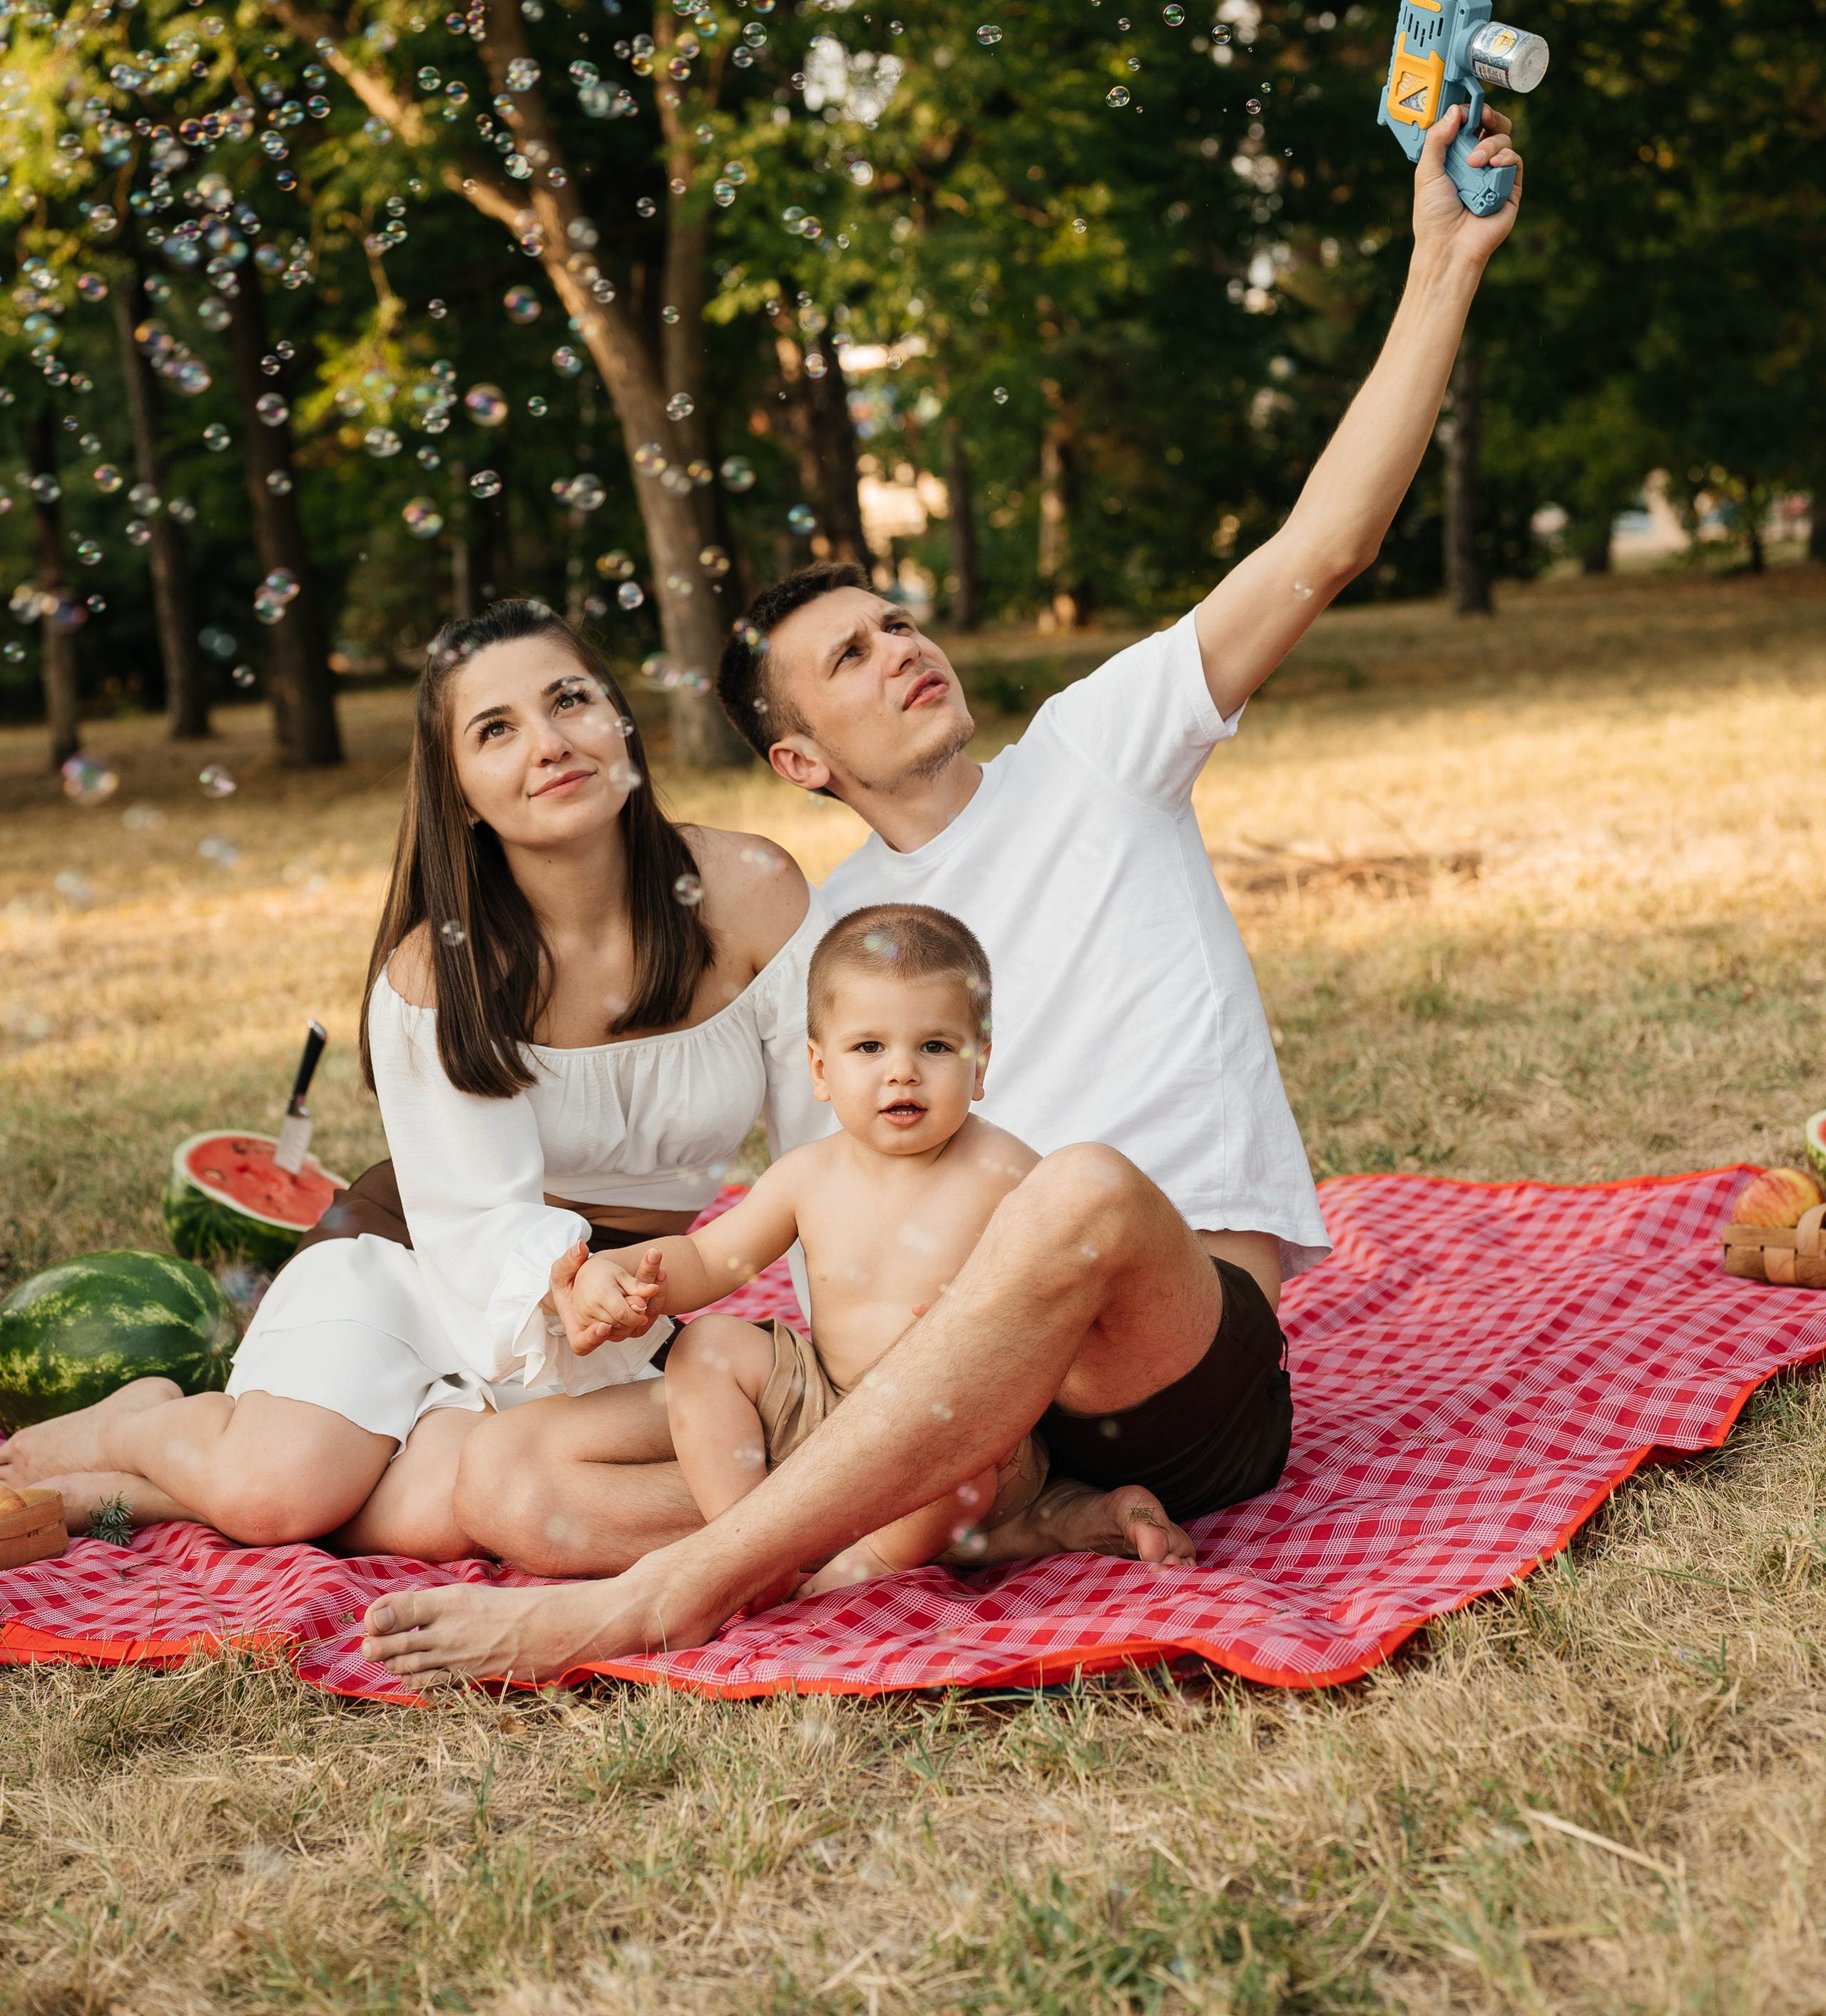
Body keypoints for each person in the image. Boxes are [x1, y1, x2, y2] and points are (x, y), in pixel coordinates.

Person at [357, 96, 1522, 1684]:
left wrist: (1442, 260)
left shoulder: (1098, 751)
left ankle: (662, 1596)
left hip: (1164, 1363)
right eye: (848, 655)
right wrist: (645, 1286)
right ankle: (977, 1521)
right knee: (518, 1473)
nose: (899, 648)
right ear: (797, 757)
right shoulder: (831, 937)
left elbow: (1322, 543)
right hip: (973, 1405)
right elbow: (812, 1187)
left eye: (898, 620)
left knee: (1077, 1185)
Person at [0, 599, 825, 1558]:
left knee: (440, 1515)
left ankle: (155, 1494)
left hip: (616, 1306)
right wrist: (569, 1281)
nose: (549, 743)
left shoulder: (753, 892)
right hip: (423, 1254)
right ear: (460, 791)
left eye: (570, 699)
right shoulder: (438, 973)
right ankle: (138, 1423)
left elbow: (833, 1147)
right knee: (277, 1495)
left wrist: (859, 1327)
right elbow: (479, 1218)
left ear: (621, 721)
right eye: (496, 730)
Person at [565, 904, 1190, 1589]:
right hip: (827, 1417)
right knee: (703, 1347)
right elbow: (709, 1259)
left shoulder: (1006, 1172)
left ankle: (858, 1569)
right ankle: (744, 1545)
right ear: (820, 1068)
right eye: (869, 1047)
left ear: (980, 1065)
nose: (902, 1072)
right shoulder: (807, 1176)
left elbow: (1072, 1292)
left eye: (935, 1047)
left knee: (960, 1456)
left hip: (953, 1434)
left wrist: (984, 1333)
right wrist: (618, 1273)